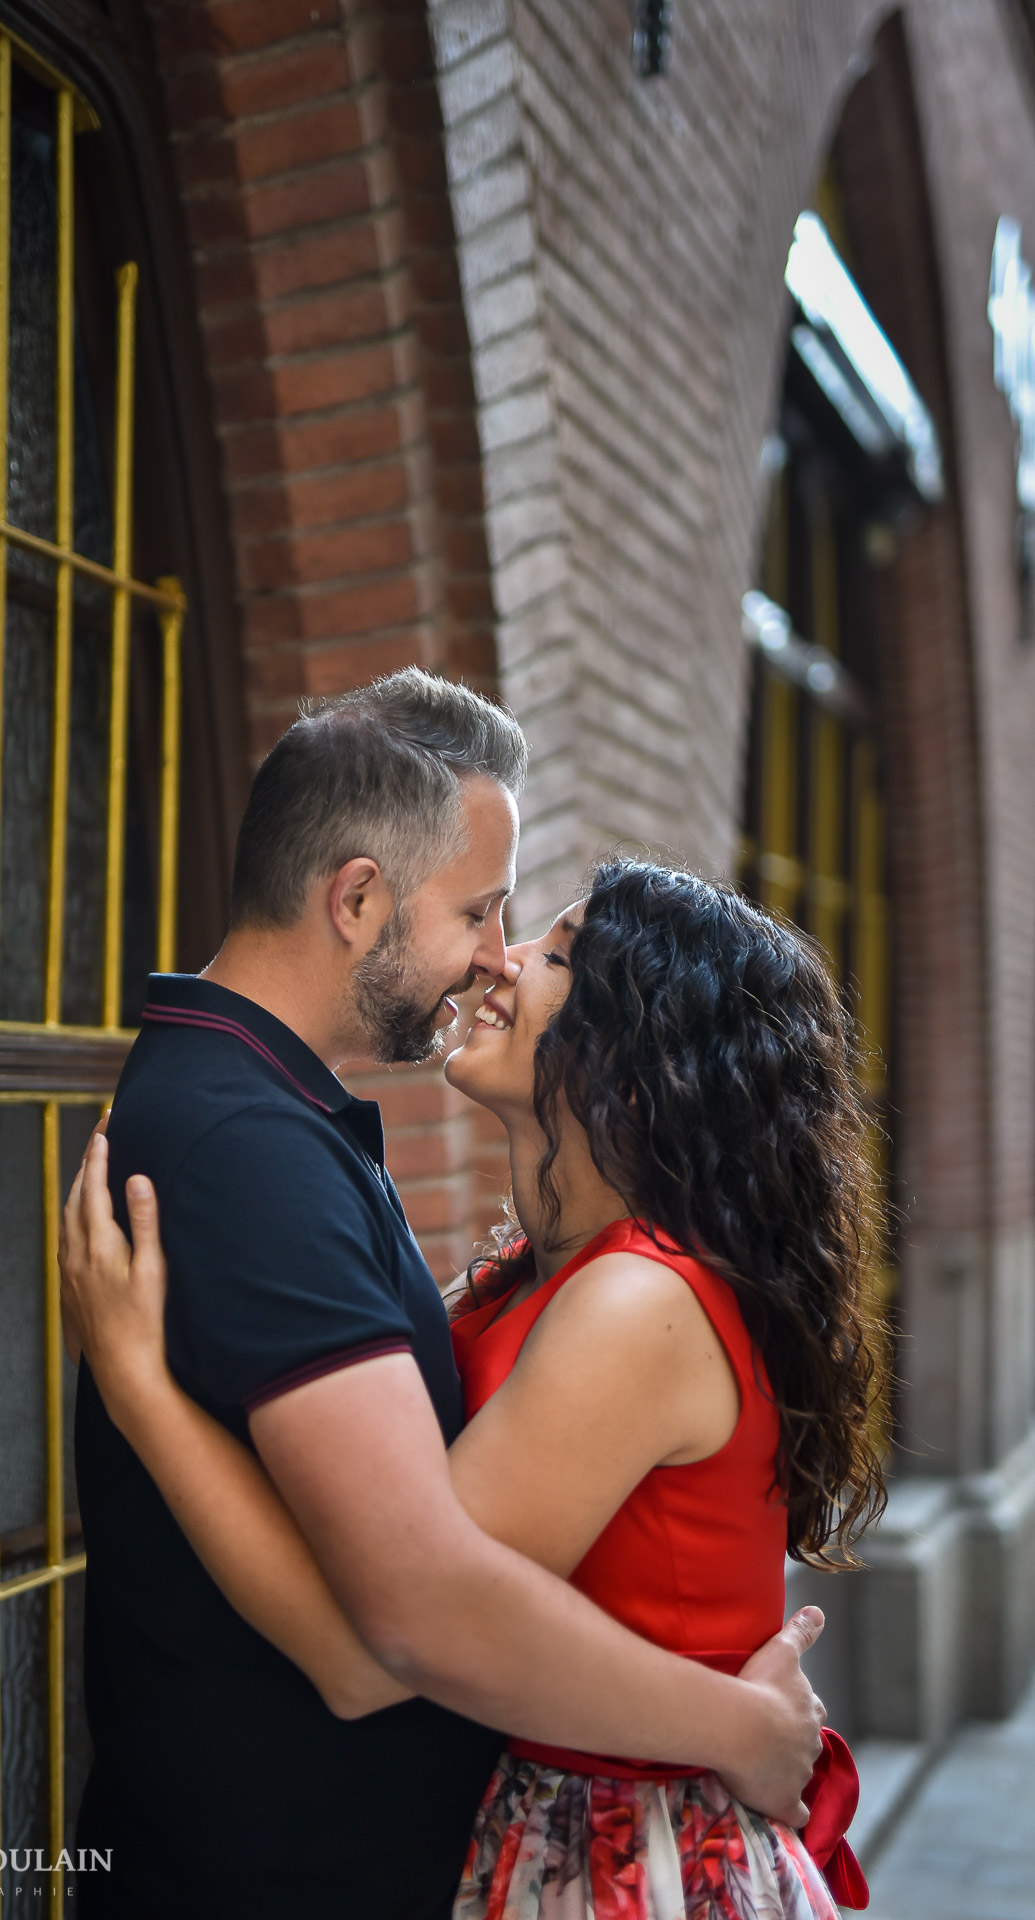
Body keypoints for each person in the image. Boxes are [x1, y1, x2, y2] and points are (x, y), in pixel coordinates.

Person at [64, 672, 829, 1919]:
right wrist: (733, 1724)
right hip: (278, 1875)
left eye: (529, 932)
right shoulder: (250, 1147)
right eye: (478, 908)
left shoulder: (288, 1128)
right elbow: (397, 1624)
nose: (494, 951)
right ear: (356, 898)